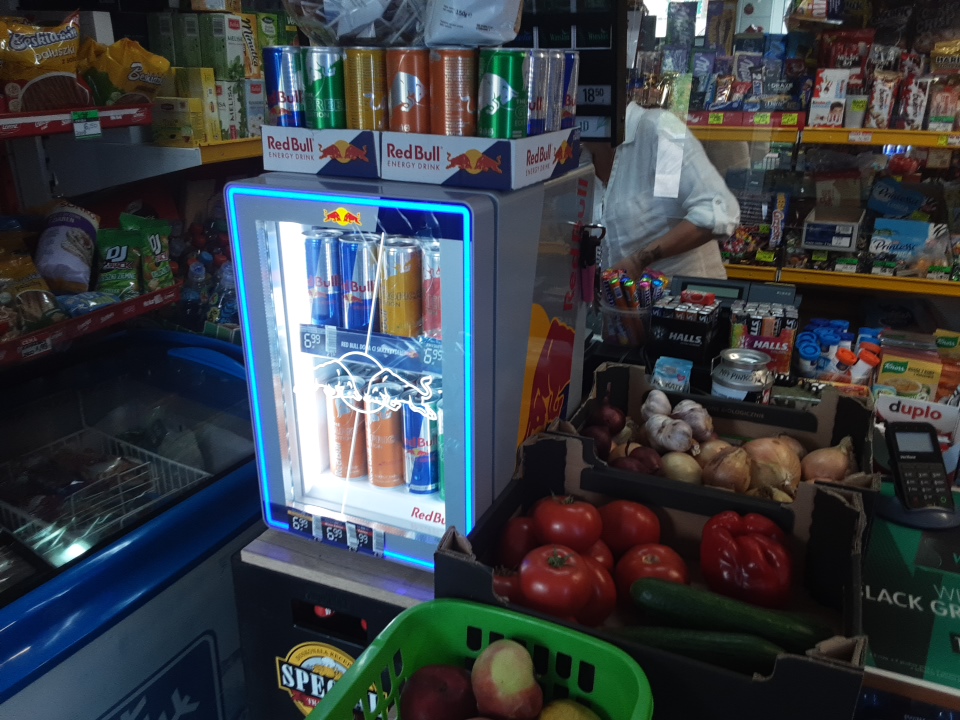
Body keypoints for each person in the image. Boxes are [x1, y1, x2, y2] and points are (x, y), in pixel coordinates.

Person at [584, 101, 741, 281]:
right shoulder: (579, 158)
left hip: (684, 293)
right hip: (620, 296)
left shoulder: (658, 131)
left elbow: (718, 212)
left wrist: (640, 260)